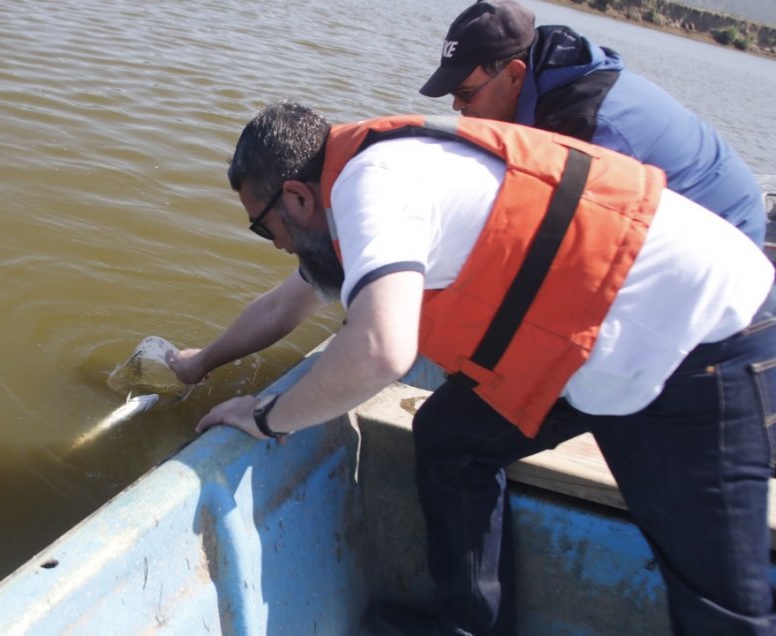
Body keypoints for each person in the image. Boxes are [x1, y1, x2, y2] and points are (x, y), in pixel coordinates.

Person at [168, 101, 776, 635]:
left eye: (263, 227)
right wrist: (200, 363)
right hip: (588, 339)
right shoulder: (357, 189)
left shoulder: (372, 186)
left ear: (297, 197)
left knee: (718, 599)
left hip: (701, 338)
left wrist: (267, 417)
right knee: (452, 438)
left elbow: (381, 350)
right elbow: (283, 305)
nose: (275, 244)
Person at [419, 0, 766, 247]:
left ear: (514, 75)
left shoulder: (587, 127)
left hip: (726, 237)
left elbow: (565, 242)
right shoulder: (550, 82)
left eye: (466, 93)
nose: (457, 106)